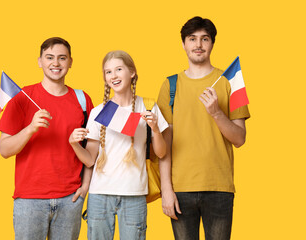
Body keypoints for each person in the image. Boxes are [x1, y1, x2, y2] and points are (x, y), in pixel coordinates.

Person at [157, 16, 251, 240]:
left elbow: (239, 139)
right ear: (184, 44)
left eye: (204, 39)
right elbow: (163, 147)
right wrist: (166, 190)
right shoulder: (169, 85)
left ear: (212, 43)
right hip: (180, 188)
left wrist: (217, 113)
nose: (198, 45)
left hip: (219, 187)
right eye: (192, 39)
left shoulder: (231, 82)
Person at [0, 37, 94, 240]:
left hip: (70, 199)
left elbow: (92, 151)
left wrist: (85, 188)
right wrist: (30, 128)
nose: (55, 63)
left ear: (70, 62)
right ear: (40, 61)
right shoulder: (22, 98)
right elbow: (4, 150)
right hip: (29, 200)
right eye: (49, 57)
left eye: (62, 58)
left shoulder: (83, 100)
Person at [69, 50, 169, 240]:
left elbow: (162, 153)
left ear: (131, 72)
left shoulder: (148, 107)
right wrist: (74, 144)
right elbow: (90, 160)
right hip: (100, 195)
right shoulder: (99, 112)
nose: (113, 75)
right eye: (108, 72)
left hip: (134, 194)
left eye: (118, 69)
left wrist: (155, 129)